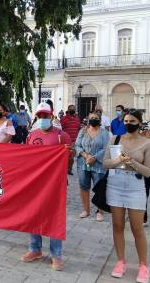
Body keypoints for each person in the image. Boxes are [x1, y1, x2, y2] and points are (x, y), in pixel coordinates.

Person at [103, 109, 150, 283]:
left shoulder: (148, 143)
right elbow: (105, 163)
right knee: (117, 225)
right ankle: (120, 261)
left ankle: (143, 265)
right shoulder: (115, 139)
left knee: (136, 228)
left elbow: (148, 172)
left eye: (132, 121)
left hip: (135, 185)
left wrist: (132, 162)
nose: (128, 124)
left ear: (139, 123)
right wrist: (119, 161)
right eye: (125, 120)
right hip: (115, 184)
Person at [21, 102, 72, 271]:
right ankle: (35, 249)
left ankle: (56, 255)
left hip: (55, 184)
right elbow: (26, 158)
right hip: (36, 183)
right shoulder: (31, 135)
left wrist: (68, 153)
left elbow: (70, 159)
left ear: (52, 116)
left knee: (54, 217)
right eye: (40, 116)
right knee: (33, 215)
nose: (42, 118)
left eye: (45, 116)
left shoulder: (61, 135)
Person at [75, 112, 109, 221]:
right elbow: (77, 145)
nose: (93, 119)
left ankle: (100, 211)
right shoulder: (83, 131)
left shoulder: (104, 133)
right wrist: (85, 155)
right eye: (91, 118)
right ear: (88, 120)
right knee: (84, 186)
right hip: (83, 164)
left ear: (99, 120)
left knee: (99, 187)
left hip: (98, 164)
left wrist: (94, 157)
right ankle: (86, 210)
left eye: (96, 118)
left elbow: (106, 148)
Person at [60, 104, 80, 175]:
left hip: (74, 141)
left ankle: (69, 169)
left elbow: (78, 128)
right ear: (68, 110)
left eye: (73, 109)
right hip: (65, 141)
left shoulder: (77, 118)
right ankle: (63, 168)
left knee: (71, 156)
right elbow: (60, 129)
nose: (72, 110)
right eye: (71, 109)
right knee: (65, 156)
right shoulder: (63, 119)